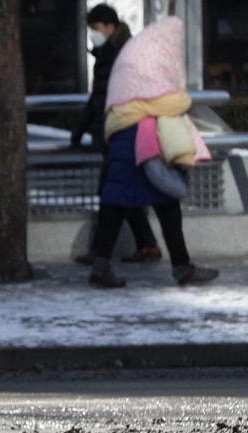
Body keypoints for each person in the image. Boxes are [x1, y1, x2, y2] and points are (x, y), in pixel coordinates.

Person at [88, 16, 217, 288]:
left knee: (118, 204)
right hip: (146, 139)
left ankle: (102, 266)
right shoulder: (151, 64)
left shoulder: (131, 57)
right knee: (164, 203)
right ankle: (181, 267)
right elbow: (169, 101)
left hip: (125, 136)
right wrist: (184, 100)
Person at [72, 4, 160, 267]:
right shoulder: (111, 53)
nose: (93, 35)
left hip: (121, 134)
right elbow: (98, 98)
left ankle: (100, 253)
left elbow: (103, 99)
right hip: (118, 133)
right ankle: (148, 245)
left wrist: (82, 129)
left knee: (111, 193)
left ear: (110, 27)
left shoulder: (118, 55)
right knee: (125, 193)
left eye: (95, 29)